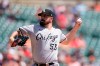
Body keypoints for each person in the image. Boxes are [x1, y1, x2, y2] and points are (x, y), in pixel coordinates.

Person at [9, 9, 82, 66]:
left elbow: (67, 41)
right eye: (42, 16)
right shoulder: (34, 28)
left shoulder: (57, 31)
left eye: (45, 16)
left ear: (51, 18)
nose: (42, 17)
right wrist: (12, 37)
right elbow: (18, 30)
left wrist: (76, 27)